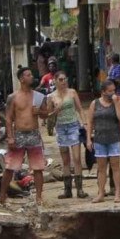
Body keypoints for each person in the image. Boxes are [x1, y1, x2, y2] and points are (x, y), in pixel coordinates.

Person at [1, 68, 48, 206]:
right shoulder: (13, 97)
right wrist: (10, 137)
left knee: (38, 167)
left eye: (31, 74)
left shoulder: (38, 96)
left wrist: (39, 111)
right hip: (19, 134)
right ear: (22, 79)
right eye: (28, 75)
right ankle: (3, 194)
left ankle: (39, 197)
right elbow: (8, 119)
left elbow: (46, 114)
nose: (32, 77)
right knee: (10, 167)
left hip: (34, 133)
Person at [47, 70, 87, 199]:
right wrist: (54, 111)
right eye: (60, 80)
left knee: (76, 158)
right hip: (61, 127)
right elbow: (48, 116)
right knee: (65, 160)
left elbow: (80, 109)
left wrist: (84, 123)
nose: (63, 82)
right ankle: (67, 190)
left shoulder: (72, 92)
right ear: (55, 81)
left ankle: (80, 189)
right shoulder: (51, 96)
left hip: (73, 125)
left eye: (65, 79)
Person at [86, 80, 120, 203]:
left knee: (115, 166)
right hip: (99, 139)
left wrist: (116, 102)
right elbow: (90, 122)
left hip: (114, 138)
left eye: (114, 90)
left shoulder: (117, 101)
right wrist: (88, 139)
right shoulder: (95, 103)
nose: (112, 93)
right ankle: (101, 193)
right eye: (110, 91)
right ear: (103, 92)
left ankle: (117, 193)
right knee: (101, 168)